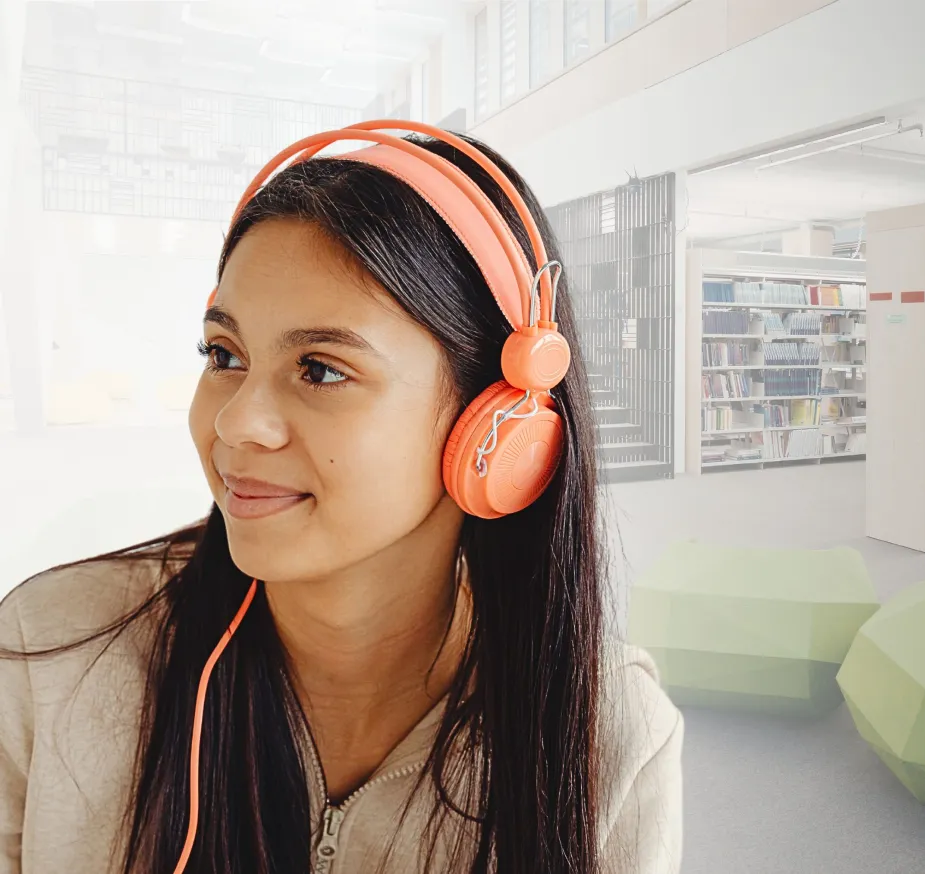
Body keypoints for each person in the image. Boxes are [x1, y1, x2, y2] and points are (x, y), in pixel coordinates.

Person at [0, 125, 683, 873]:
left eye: (321, 370)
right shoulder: (49, 651)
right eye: (224, 355)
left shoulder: (606, 737)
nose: (235, 423)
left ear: (496, 419)